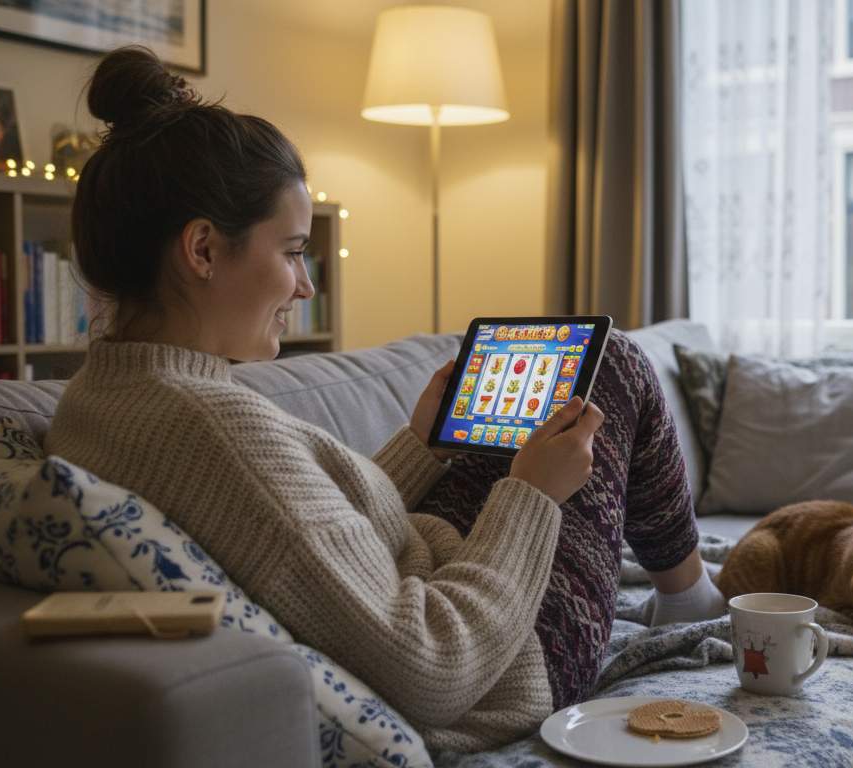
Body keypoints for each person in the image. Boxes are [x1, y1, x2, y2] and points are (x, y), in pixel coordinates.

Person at [45, 46, 724, 752]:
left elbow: (304, 544)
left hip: (435, 571)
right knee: (610, 362)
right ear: (204, 250)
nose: (305, 287)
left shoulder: (99, 398)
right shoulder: (212, 427)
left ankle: (682, 589)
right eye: (291, 251)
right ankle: (688, 595)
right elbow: (432, 667)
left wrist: (421, 447)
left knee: (547, 399)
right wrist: (531, 498)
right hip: (506, 662)